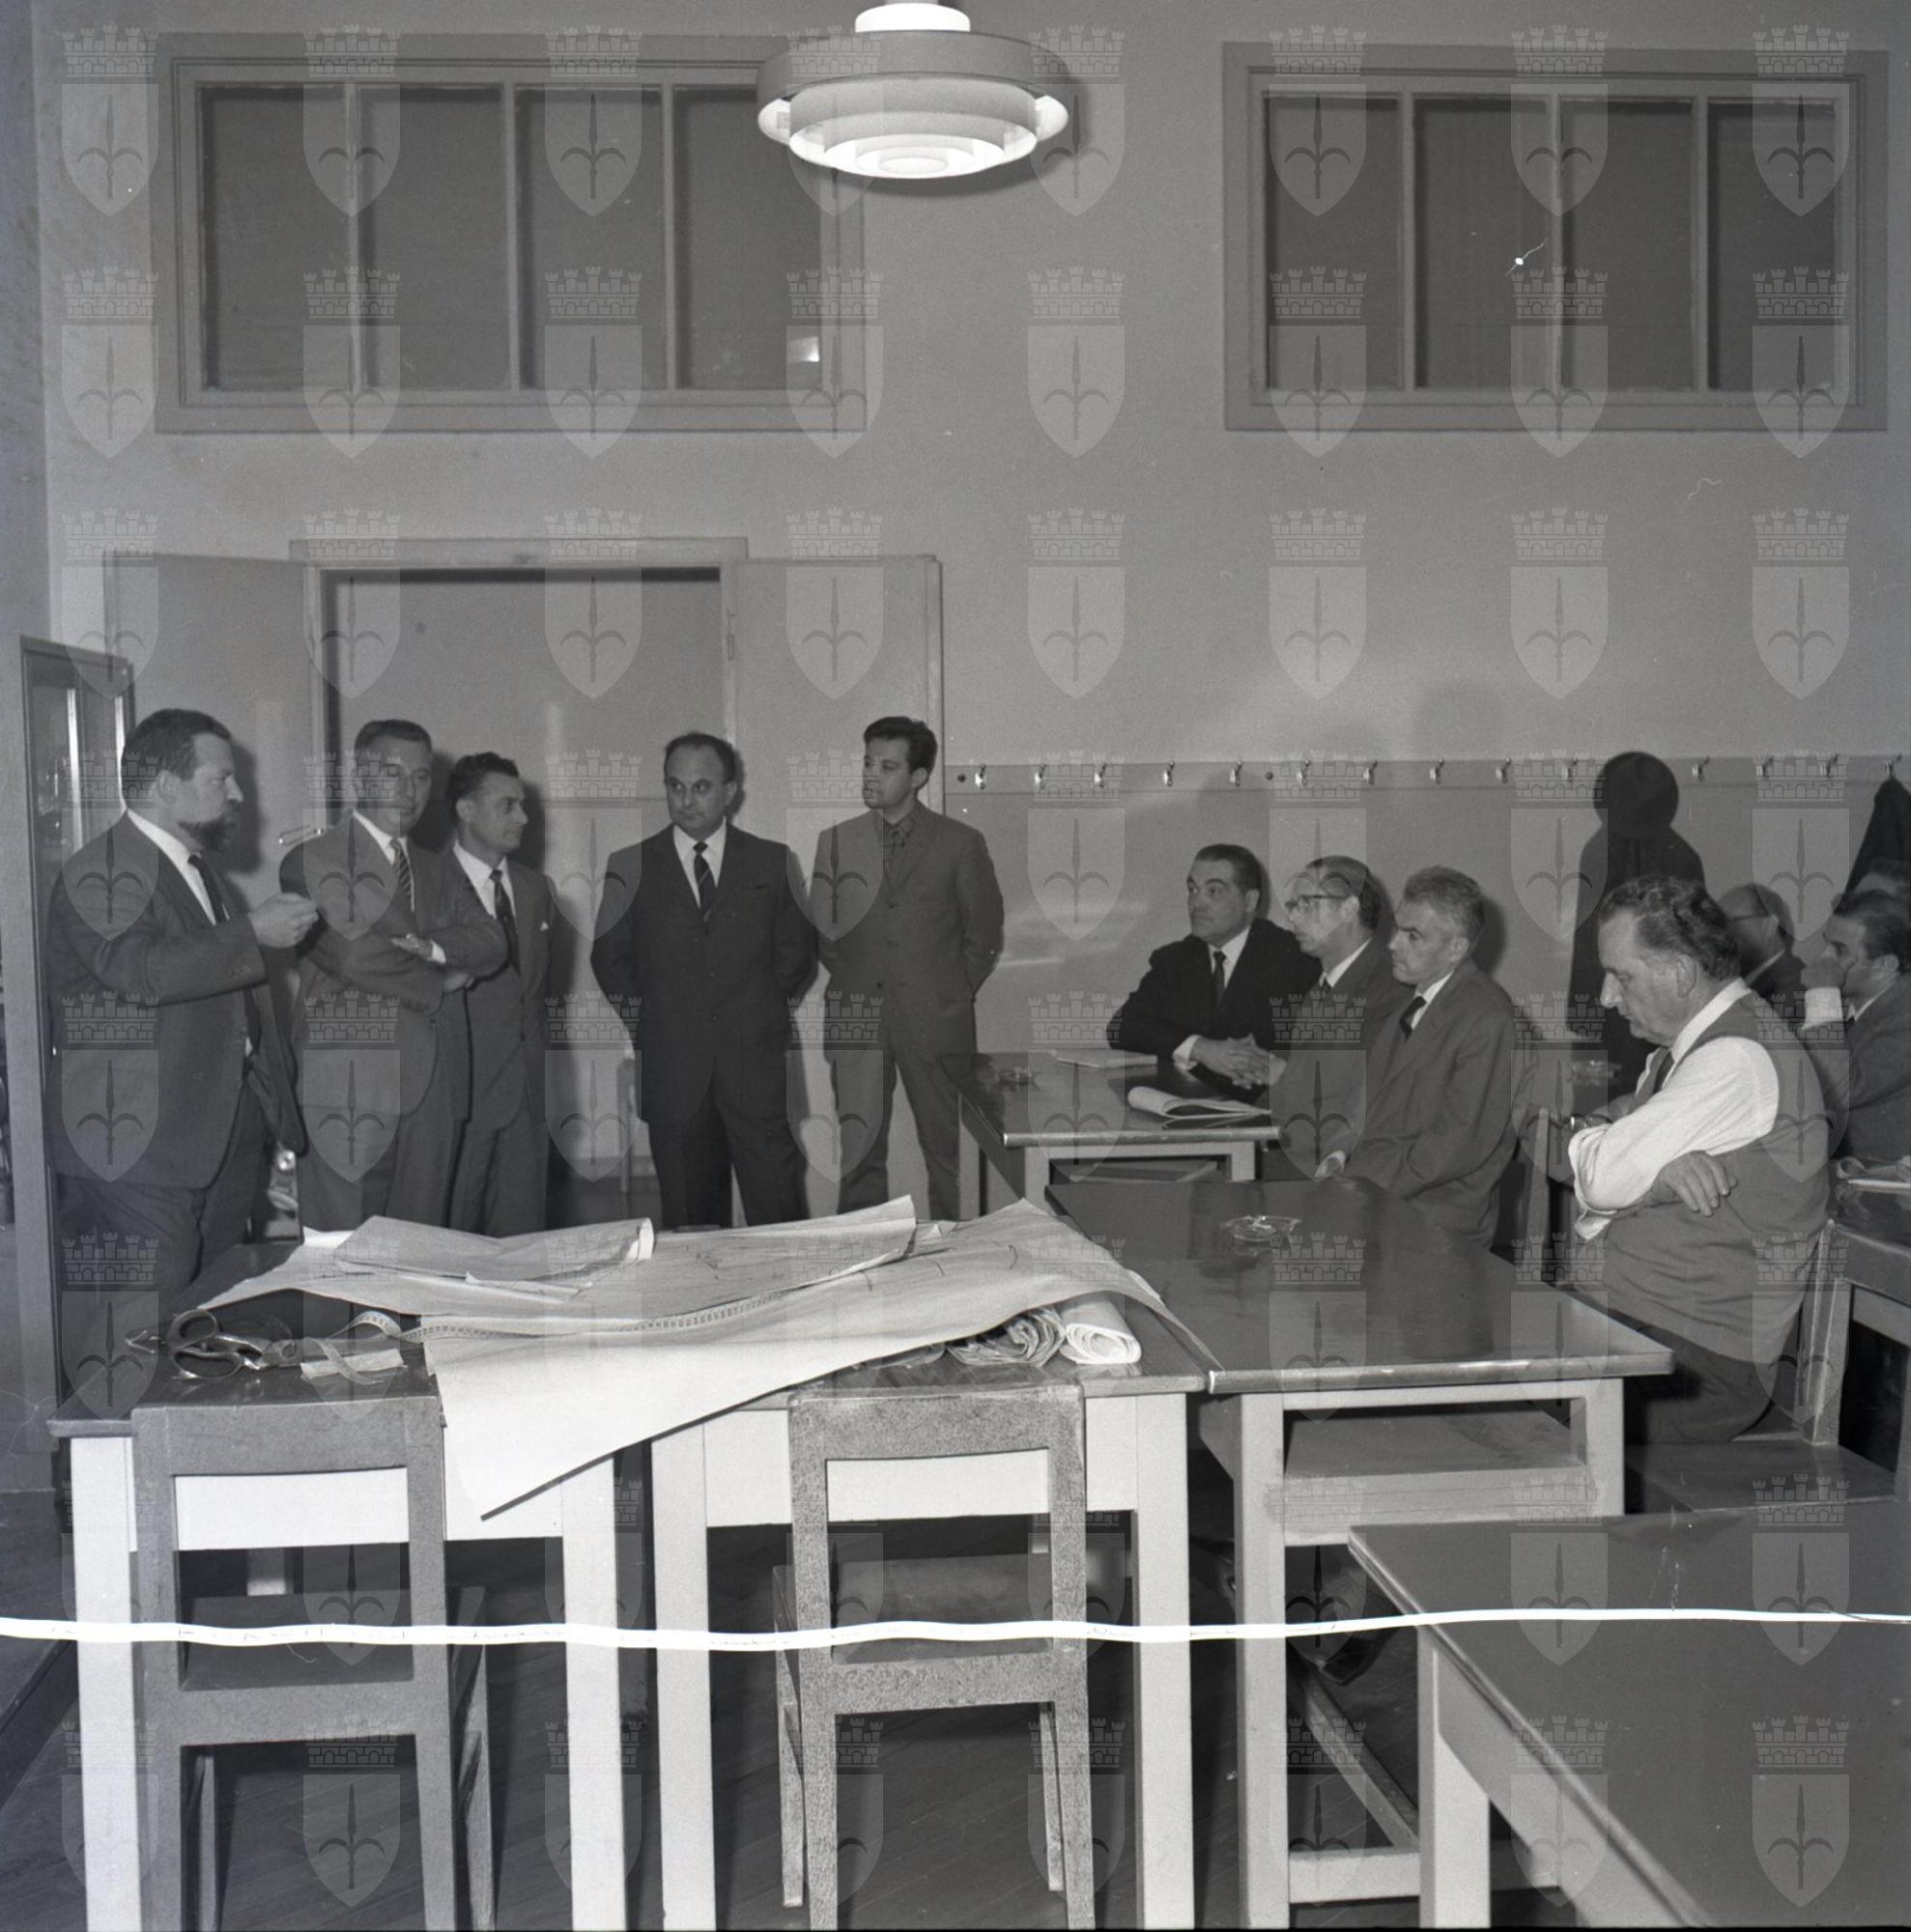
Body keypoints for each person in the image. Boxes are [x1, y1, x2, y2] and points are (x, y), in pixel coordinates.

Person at [45, 709, 315, 1318]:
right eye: (221, 779)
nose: (237, 793)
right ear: (167, 786)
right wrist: (253, 931)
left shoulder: (193, 870)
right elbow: (138, 971)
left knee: (207, 1322)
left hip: (211, 1144)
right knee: (144, 1330)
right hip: (137, 1151)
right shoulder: (105, 869)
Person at [1569, 876, 1829, 1442]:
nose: (1607, 997)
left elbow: (1600, 1178)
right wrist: (1641, 1169)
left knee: (1500, 1421)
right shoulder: (1682, 1051)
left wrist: (1601, 1143)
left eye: (1621, 976)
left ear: (1680, 974)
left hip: (1696, 1360)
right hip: (1642, 1325)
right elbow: (1603, 1172)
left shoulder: (1735, 1058)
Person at [282, 720, 506, 1231]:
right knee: (342, 1255)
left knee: (420, 1255)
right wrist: (441, 977)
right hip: (346, 1091)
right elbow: (354, 954)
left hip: (434, 1089)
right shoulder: (312, 859)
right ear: (358, 778)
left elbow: (492, 941)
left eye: (421, 777)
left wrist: (432, 947)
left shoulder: (439, 868)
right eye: (392, 774)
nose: (409, 791)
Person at [591, 731, 814, 1228]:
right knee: (692, 1224)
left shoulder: (772, 862)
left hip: (756, 1068)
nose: (686, 800)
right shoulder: (628, 866)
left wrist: (752, 1014)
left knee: (779, 1215)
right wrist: (653, 1025)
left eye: (701, 787)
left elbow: (796, 957)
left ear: (730, 791)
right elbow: (609, 961)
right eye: (676, 787)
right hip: (674, 1072)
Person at [809, 717, 1003, 1221]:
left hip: (935, 1018)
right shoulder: (837, 843)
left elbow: (984, 934)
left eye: (887, 766)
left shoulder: (960, 843)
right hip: (856, 1013)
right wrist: (859, 978)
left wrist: (949, 990)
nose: (871, 775)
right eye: (868, 763)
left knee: (946, 1152)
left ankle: (953, 1252)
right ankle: (864, 1250)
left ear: (918, 776)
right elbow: (826, 932)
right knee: (859, 1152)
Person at [1322, 867, 1515, 1248]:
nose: (1393, 944)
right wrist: (1337, 1155)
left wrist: (1358, 1181)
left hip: (1435, 1218)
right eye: (1397, 928)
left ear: (1456, 949)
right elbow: (1366, 1101)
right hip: (1382, 1197)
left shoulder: (1488, 1016)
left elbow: (1454, 1145)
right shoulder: (1412, 1003)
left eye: (1414, 936)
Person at [445, 753, 554, 1235]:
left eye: (523, 805)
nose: (523, 818)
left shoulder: (536, 889)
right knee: (452, 1237)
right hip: (459, 1099)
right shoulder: (428, 885)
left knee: (523, 1241)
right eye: (507, 806)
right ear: (466, 810)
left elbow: (535, 992)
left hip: (526, 1100)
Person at [1106, 844, 1318, 1086]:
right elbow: (1122, 1026)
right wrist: (1201, 1048)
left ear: (1250, 901)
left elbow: (1327, 1057)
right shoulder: (1175, 959)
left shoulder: (1296, 959)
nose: (1196, 903)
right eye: (1193, 889)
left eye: (1214, 891)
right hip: (1187, 1102)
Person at [1265, 856, 1410, 1179]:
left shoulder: (1389, 986)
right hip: (1299, 1155)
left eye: (1307, 903)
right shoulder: (1323, 984)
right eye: (1294, 905)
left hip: (1339, 1169)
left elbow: (1366, 1099)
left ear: (1348, 909)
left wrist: (1279, 1079)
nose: (1293, 917)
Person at [1798, 890, 1911, 1163]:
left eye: (1839, 950)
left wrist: (1823, 992)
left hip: (1882, 1177)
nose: (1823, 957)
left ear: (1885, 965)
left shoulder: (1905, 1015)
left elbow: (1839, 1090)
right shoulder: (1846, 1005)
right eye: (1826, 943)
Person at [1718, 882, 1806, 1024]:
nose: (1721, 934)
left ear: (1769, 925)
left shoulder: (1795, 985)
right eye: (1718, 924)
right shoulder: (1736, 980)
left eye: (1731, 922)